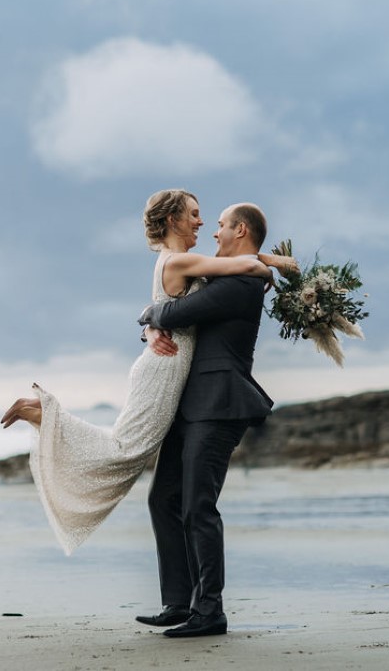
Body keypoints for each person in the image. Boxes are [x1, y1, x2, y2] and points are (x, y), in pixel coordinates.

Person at [0, 191, 295, 557]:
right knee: (126, 450)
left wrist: (149, 322)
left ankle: (47, 415)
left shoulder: (184, 261)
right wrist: (269, 264)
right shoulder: (179, 261)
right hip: (165, 368)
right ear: (173, 220)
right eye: (195, 215)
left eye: (211, 220)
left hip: (172, 368)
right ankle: (46, 412)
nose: (203, 224)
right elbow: (244, 270)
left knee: (129, 451)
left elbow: (171, 304)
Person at [134, 202, 274, 638]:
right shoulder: (228, 274)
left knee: (198, 505)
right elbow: (175, 304)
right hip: (191, 405)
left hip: (219, 404)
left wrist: (150, 317)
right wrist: (149, 325)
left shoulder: (243, 285)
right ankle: (178, 601)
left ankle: (209, 610)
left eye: (220, 226)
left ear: (241, 230)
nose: (213, 232)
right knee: (163, 499)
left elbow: (175, 312)